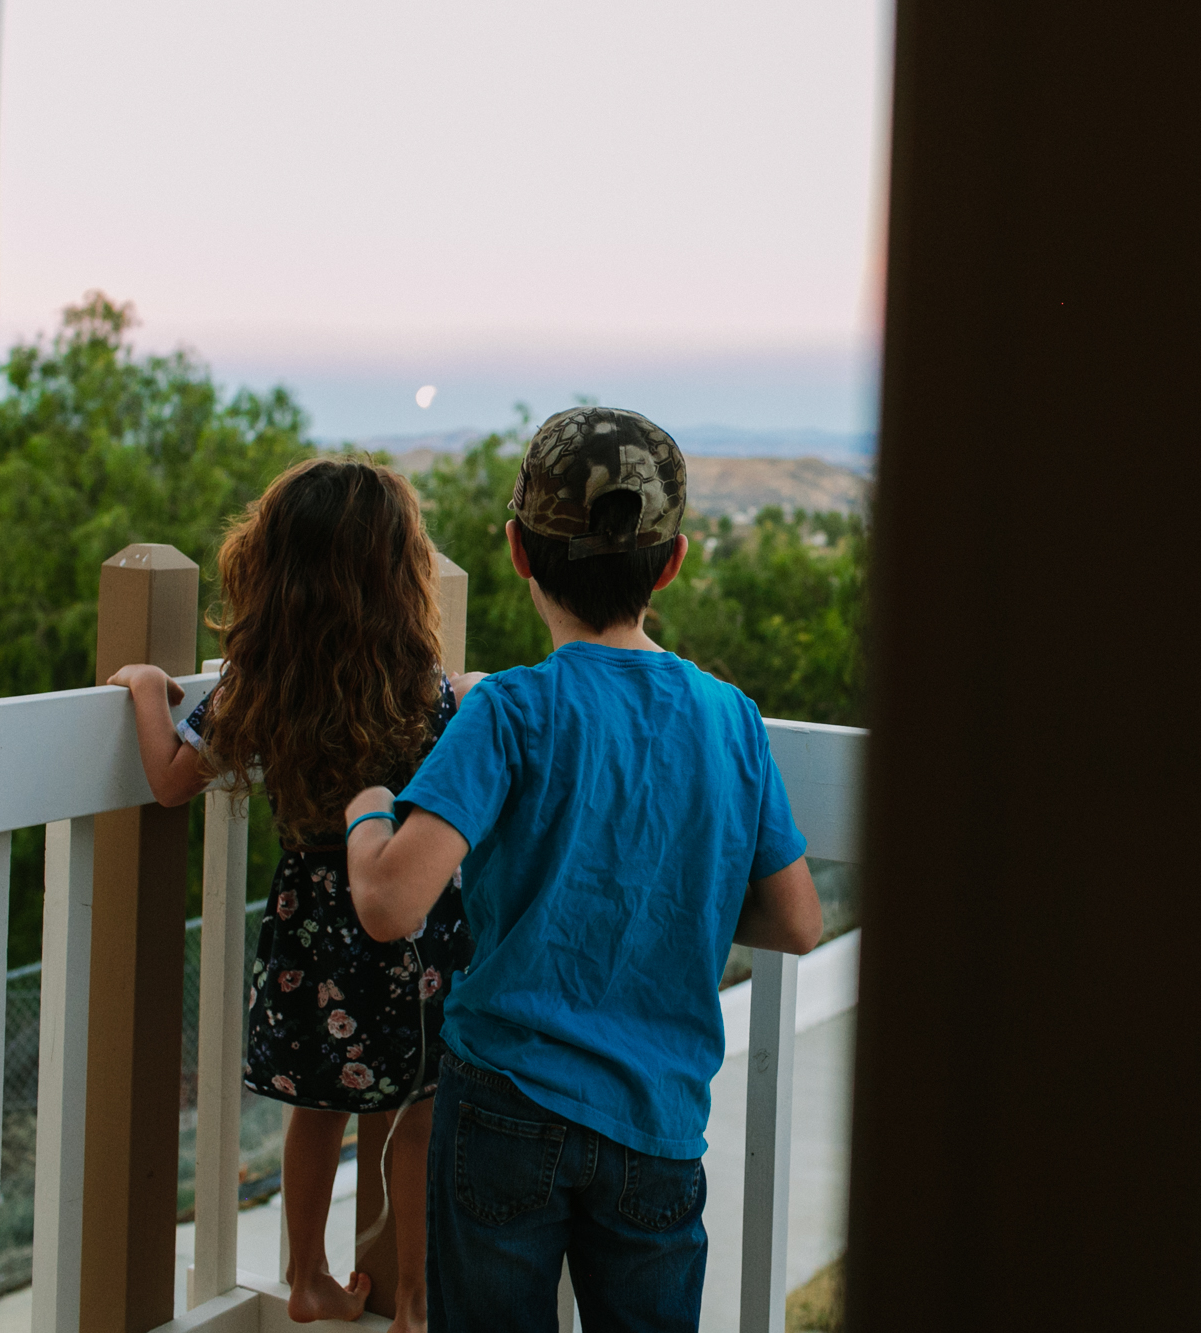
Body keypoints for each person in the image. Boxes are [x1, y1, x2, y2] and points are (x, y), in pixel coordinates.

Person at [341, 407, 824, 1333]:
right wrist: (680, 892)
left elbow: (393, 901)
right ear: (672, 561)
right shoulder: (731, 719)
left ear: (520, 552)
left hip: (504, 1107)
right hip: (657, 1125)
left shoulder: (512, 711)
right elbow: (797, 920)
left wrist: (368, 811)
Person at [108, 457, 471, 1333]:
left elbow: (167, 781)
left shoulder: (259, 681)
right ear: (400, 573)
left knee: (319, 1111)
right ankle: (417, 1299)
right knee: (421, 1114)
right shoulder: (425, 685)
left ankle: (306, 1278)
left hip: (317, 929)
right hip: (420, 920)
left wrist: (146, 688)